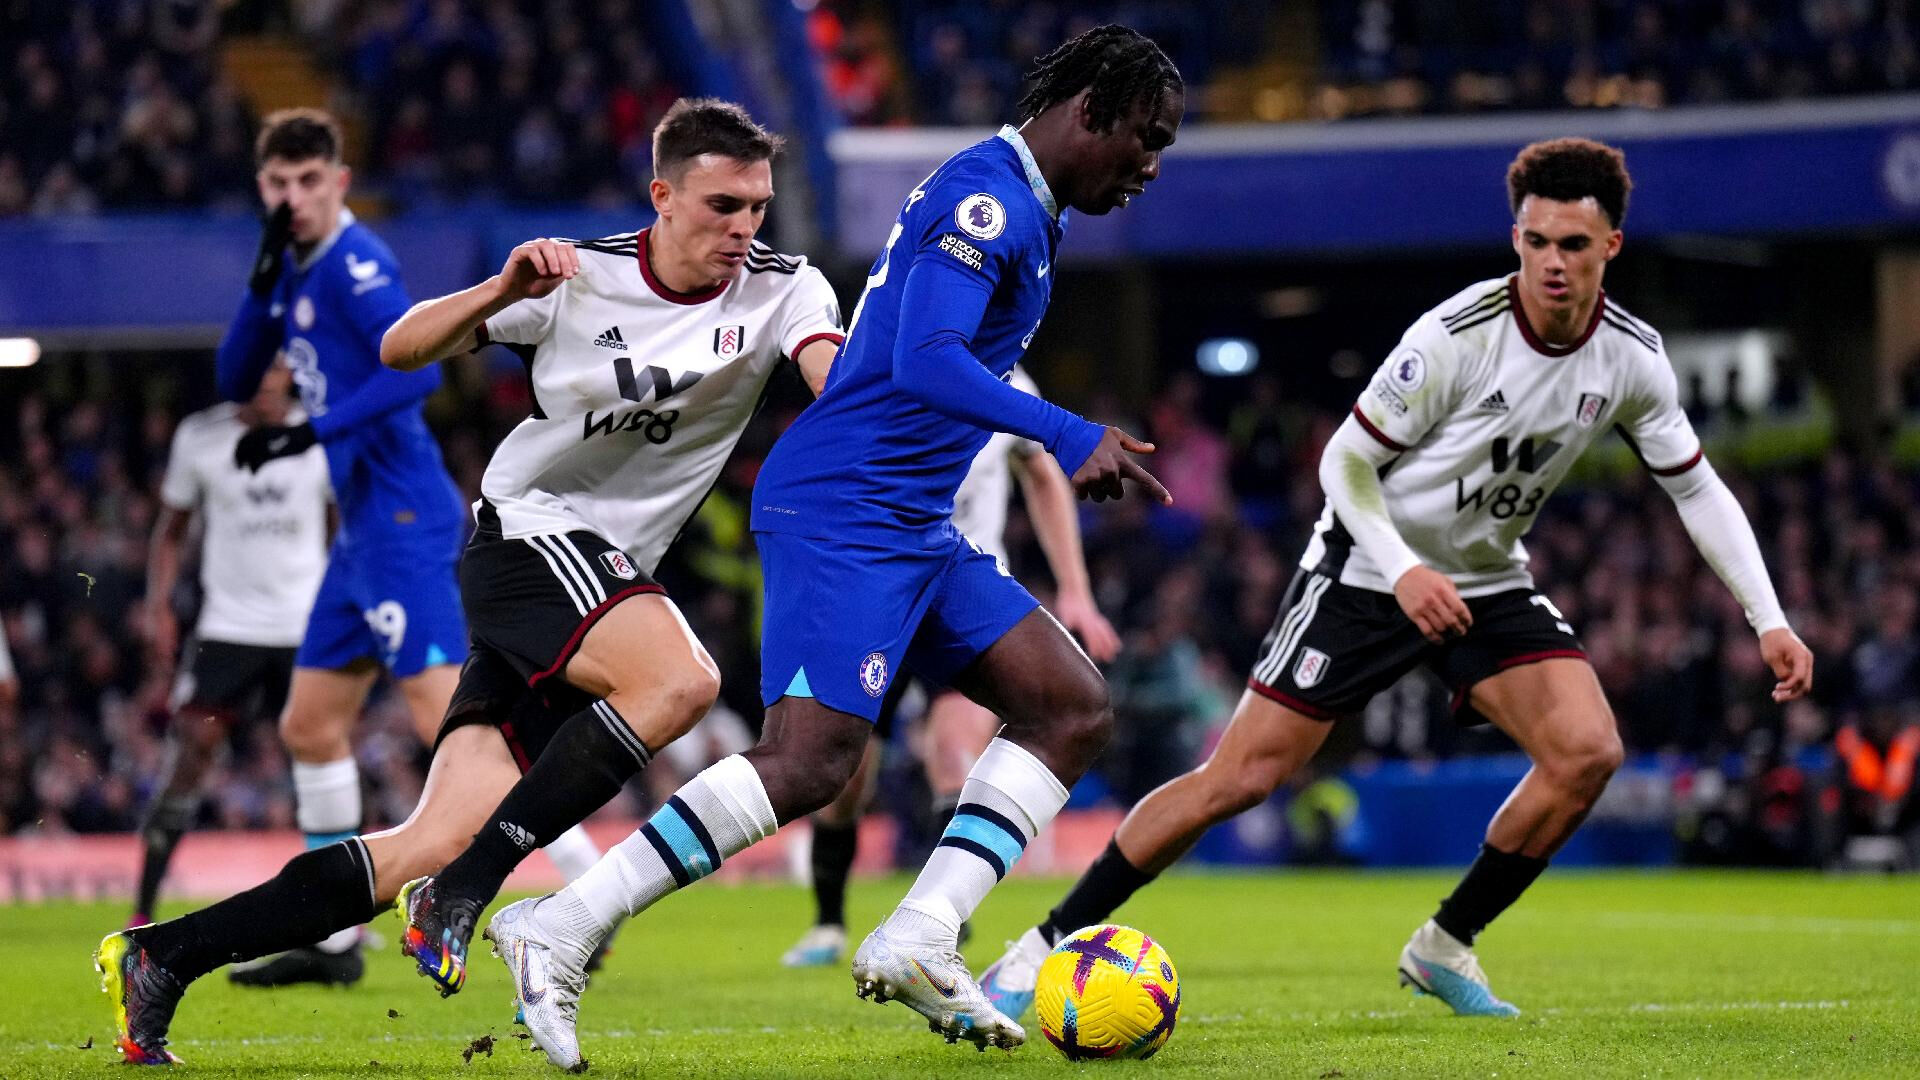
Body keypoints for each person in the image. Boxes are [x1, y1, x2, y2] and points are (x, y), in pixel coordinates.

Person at [977, 136, 1816, 1020]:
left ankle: (1444, 945)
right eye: (1535, 243)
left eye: (1574, 245)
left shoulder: (1633, 359)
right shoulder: (1459, 335)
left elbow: (1696, 487)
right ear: (1516, 239)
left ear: (1611, 246)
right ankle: (1040, 945)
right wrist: (1404, 568)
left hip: (1484, 577)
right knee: (1239, 779)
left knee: (1588, 752)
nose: (1552, 264)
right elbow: (1345, 464)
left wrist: (1769, 617)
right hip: (1364, 565)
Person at [474, 26, 1183, 1069]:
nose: (1150, 167)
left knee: (1069, 704)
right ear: (1088, 112)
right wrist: (1068, 432)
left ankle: (922, 933)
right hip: (844, 508)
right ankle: (561, 923)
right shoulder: (985, 203)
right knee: (809, 763)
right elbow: (925, 357)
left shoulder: (1025, 207)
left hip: (912, 522)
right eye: (1144, 139)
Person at [93, 98, 842, 1066]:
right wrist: (498, 288)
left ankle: (162, 957)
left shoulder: (785, 290)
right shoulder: (579, 276)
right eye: (720, 206)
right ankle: (481, 893)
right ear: (662, 197)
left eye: (757, 207)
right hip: (528, 538)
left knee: (429, 838)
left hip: (599, 584)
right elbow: (400, 349)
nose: (743, 228)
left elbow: (837, 379)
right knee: (683, 682)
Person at [780, 365, 1121, 968]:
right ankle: (829, 922)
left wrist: (1075, 588)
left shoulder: (1015, 384)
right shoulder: (892, 364)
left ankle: (937, 922)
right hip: (882, 594)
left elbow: (1041, 472)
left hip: (967, 600)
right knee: (843, 779)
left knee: (955, 755)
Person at [132, 363, 331, 937]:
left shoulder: (319, 437)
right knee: (192, 751)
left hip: (304, 629)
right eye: (259, 366)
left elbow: (343, 527)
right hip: (228, 629)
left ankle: (342, 914)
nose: (269, 380)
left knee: (322, 757)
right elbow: (169, 533)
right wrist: (159, 605)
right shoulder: (201, 437)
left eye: (277, 368)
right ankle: (144, 903)